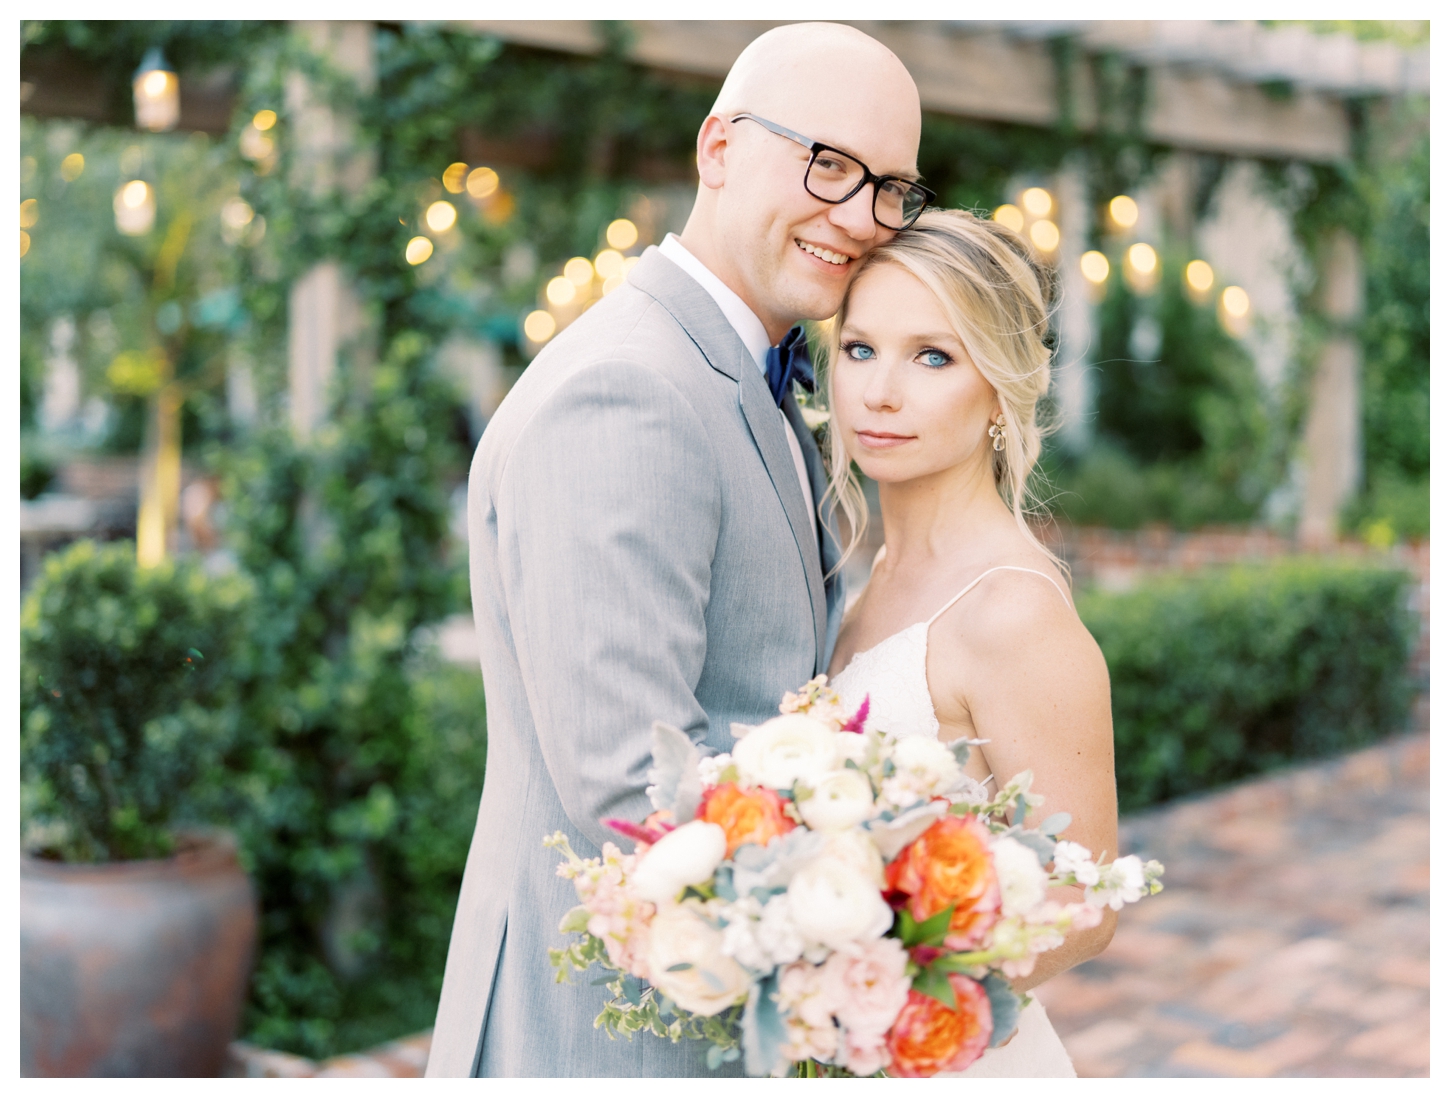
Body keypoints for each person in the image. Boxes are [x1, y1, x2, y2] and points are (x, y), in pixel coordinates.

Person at [426, 23, 925, 1078]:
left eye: (890, 187)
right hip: (609, 1037)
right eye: (828, 164)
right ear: (717, 149)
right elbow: (631, 792)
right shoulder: (630, 394)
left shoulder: (741, 373)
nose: (860, 217)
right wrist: (890, 920)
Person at [825, 209, 1119, 1077]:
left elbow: (1086, 903)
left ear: (998, 384)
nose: (880, 392)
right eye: (859, 348)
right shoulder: (867, 568)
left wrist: (877, 1008)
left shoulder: (1011, 612)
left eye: (933, 356)